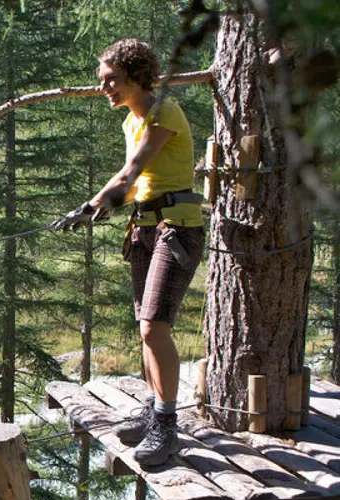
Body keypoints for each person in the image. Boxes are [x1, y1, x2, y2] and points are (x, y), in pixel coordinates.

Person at [52, 39, 204, 466]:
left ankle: (168, 426)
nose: (105, 88)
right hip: (145, 226)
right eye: (102, 81)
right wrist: (104, 206)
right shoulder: (130, 123)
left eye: (111, 80)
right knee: (145, 328)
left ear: (137, 76)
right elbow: (133, 187)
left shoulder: (163, 113)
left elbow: (131, 170)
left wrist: (89, 205)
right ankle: (156, 410)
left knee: (155, 328)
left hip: (177, 229)